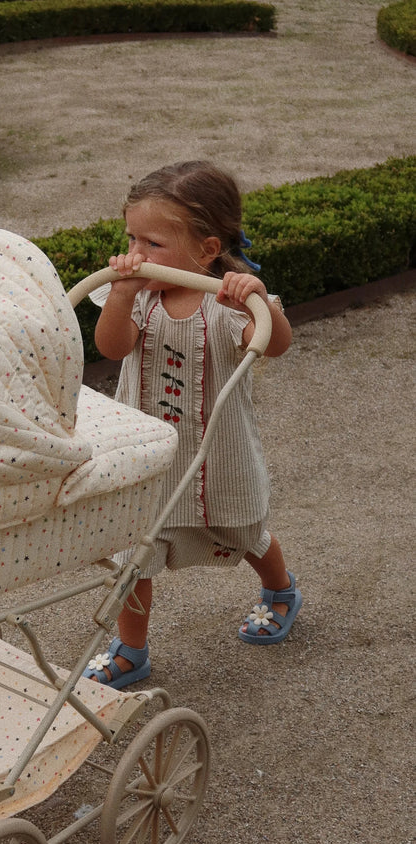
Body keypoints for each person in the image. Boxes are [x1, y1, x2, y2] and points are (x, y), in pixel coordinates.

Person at [84, 160, 302, 689]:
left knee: (246, 530)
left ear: (206, 249)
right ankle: (131, 649)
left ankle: (280, 590)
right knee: (133, 554)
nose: (135, 254)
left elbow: (276, 343)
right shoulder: (141, 296)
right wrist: (121, 293)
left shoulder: (231, 301)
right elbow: (110, 348)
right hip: (150, 457)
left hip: (219, 453)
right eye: (131, 238)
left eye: (152, 243)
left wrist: (254, 301)